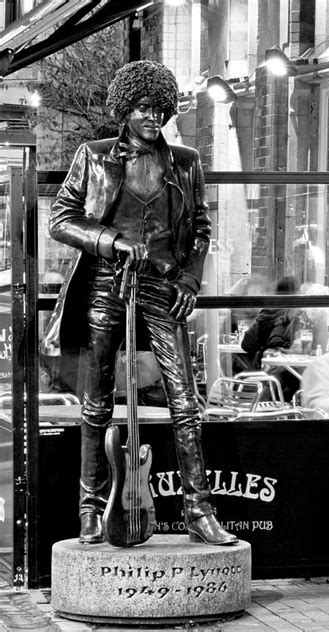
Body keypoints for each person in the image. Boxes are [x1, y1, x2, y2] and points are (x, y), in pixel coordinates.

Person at [40, 60, 237, 547]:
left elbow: (201, 228)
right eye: (144, 108)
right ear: (125, 109)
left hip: (164, 286)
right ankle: (90, 507)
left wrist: (191, 278)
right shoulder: (94, 156)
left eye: (160, 109)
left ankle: (198, 508)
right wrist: (110, 240)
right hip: (108, 283)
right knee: (97, 399)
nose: (153, 117)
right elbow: (60, 218)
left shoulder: (186, 162)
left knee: (185, 398)